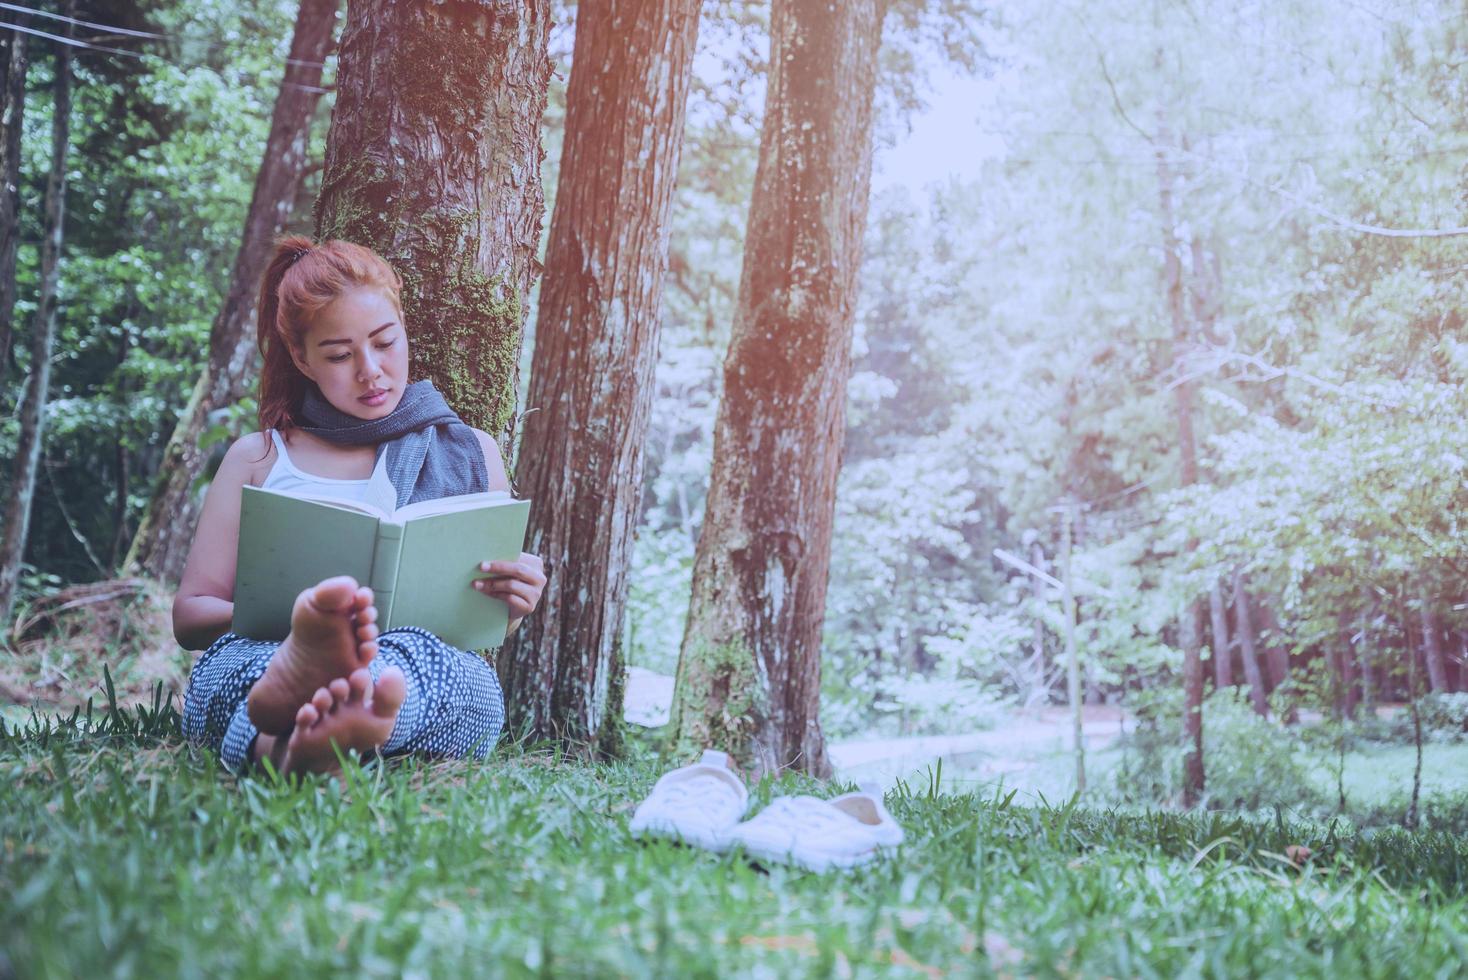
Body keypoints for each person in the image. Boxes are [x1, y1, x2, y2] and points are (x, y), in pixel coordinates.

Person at [173, 236, 546, 776]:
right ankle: (327, 706)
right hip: (267, 651)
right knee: (244, 668)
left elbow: (479, 629)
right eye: (340, 355)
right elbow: (190, 616)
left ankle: (302, 739)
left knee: (464, 682)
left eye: (384, 343)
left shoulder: (471, 451)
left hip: (415, 664)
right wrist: (308, 629)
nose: (369, 370)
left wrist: (512, 604)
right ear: (302, 358)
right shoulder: (259, 459)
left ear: (404, 329)